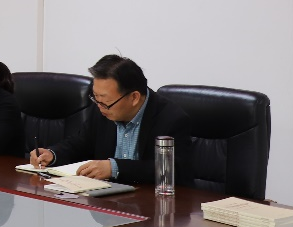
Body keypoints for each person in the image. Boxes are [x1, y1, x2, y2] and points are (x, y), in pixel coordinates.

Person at [27, 54, 192, 185]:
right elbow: (80, 143)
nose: (99, 106)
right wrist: (53, 154)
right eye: (95, 97)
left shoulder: (171, 118)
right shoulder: (103, 107)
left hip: (151, 205)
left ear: (134, 97)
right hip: (106, 200)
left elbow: (171, 170)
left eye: (105, 101)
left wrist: (115, 168)